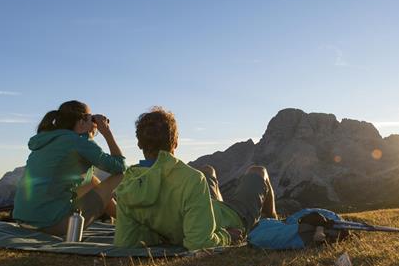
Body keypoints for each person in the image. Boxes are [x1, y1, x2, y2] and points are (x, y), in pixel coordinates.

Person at [114, 107, 277, 251]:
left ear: (139, 144)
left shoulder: (128, 183)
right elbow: (200, 243)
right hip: (232, 219)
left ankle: (221, 207)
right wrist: (227, 237)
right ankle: (274, 220)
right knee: (258, 171)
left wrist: (163, 236)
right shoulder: (190, 178)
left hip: (204, 210)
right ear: (175, 143)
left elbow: (125, 242)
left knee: (208, 170)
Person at [13, 100, 126, 236]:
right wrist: (107, 132)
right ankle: (130, 220)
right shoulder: (77, 141)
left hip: (24, 221)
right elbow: (120, 167)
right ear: (81, 121)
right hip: (52, 225)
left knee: (92, 180)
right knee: (119, 175)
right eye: (91, 118)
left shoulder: (49, 138)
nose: (94, 123)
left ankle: (125, 220)